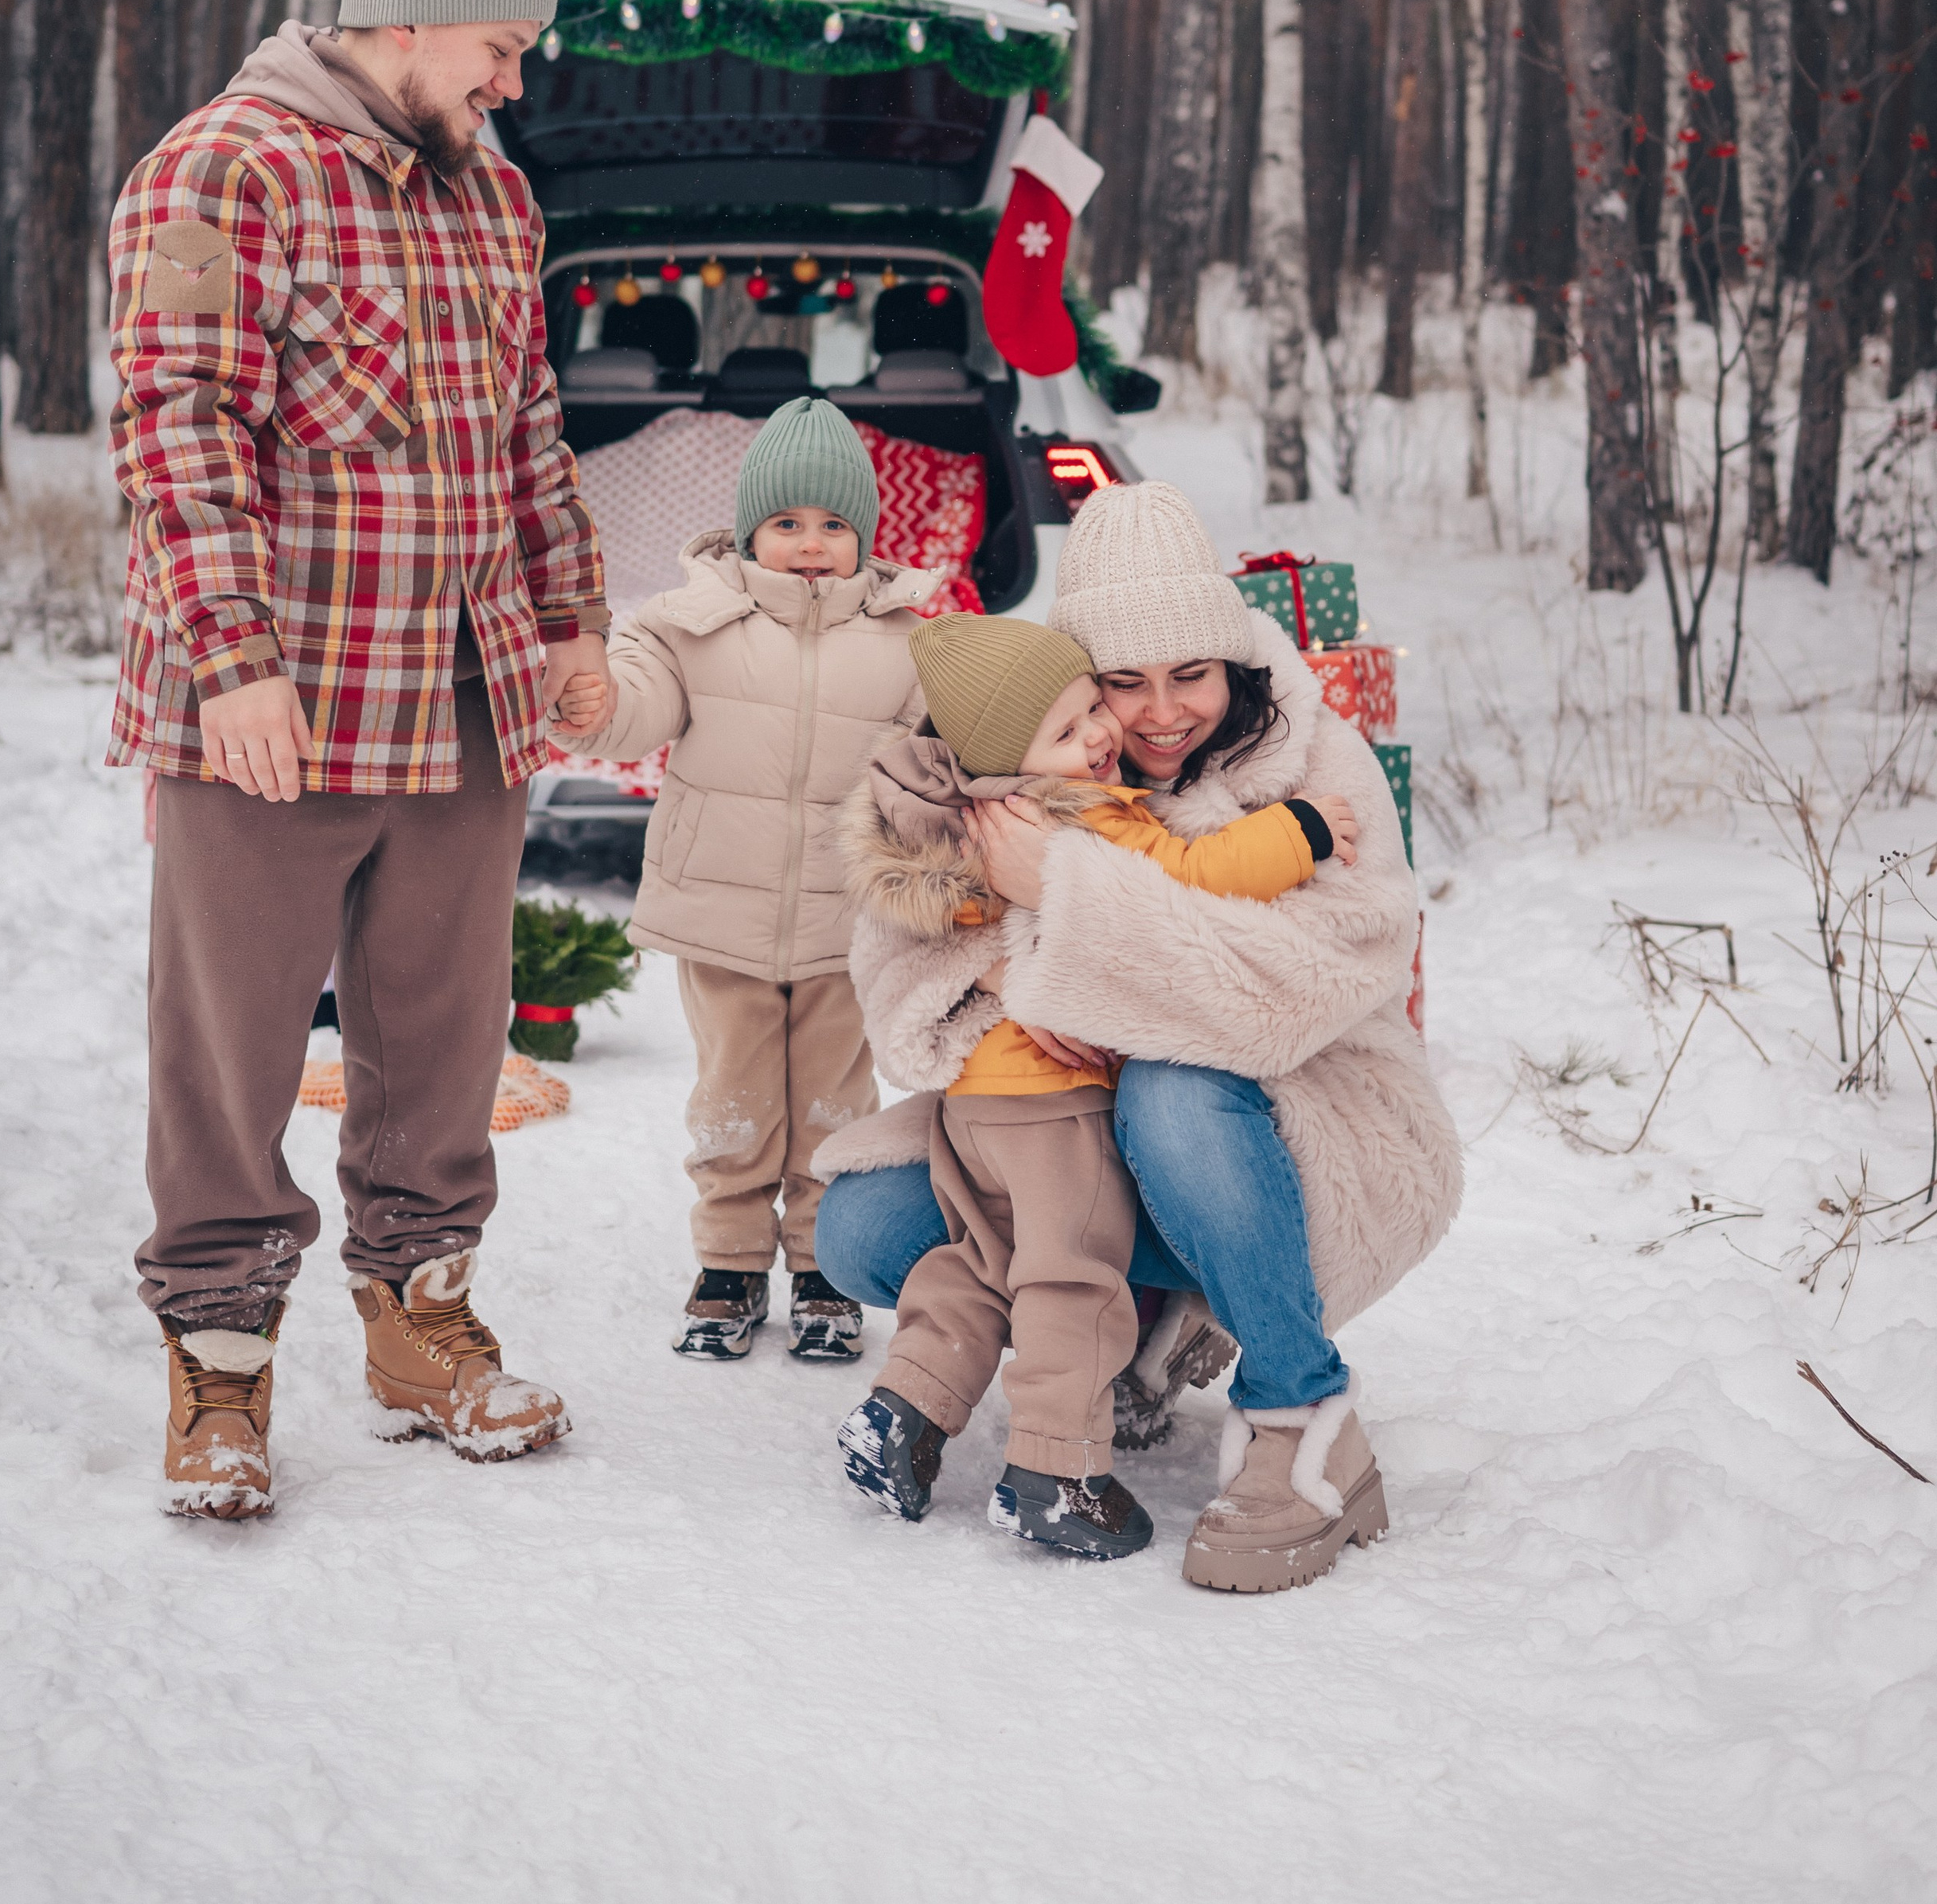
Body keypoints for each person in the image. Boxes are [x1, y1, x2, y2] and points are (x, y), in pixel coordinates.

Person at [109, 0, 613, 1519]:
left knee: (443, 1033)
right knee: (232, 1043)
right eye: (499, 48)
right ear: (408, 23)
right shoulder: (222, 172)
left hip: (463, 688)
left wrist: (573, 618)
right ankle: (220, 1363)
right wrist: (232, 660)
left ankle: (421, 1329)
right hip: (277, 698)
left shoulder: (492, 193)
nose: (512, 82)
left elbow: (531, 429)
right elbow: (177, 432)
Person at [813, 478, 1463, 1595]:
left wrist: (1062, 903)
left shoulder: (1317, 767)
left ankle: (1303, 1414)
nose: (1158, 714)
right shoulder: (1015, 754)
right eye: (1122, 681)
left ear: (1234, 662)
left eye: (1190, 673)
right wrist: (1015, 975)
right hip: (1070, 1131)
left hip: (1298, 1128)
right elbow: (896, 978)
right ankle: (1135, 1329)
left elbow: (1283, 995)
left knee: (1171, 1083)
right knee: (863, 1227)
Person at [836, 613, 1358, 1561]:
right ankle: (1055, 1472)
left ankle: (904, 1408)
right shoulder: (1086, 815)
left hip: (977, 1107)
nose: (1099, 736)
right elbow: (1199, 869)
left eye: (1088, 712)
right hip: (1057, 1103)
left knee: (981, 1256)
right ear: (1007, 759)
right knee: (1068, 1276)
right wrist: (1300, 829)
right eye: (1070, 727)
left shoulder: (956, 816)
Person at [556, 396, 938, 1362]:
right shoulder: (687, 625)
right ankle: (728, 1259)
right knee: (733, 1096)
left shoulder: (909, 642)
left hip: (847, 923)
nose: (810, 545)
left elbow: (943, 750)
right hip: (721, 915)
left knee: (834, 1102)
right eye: (786, 522)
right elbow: (634, 710)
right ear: (745, 531)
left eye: (834, 525)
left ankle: (821, 1264)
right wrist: (592, 701)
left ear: (865, 538)